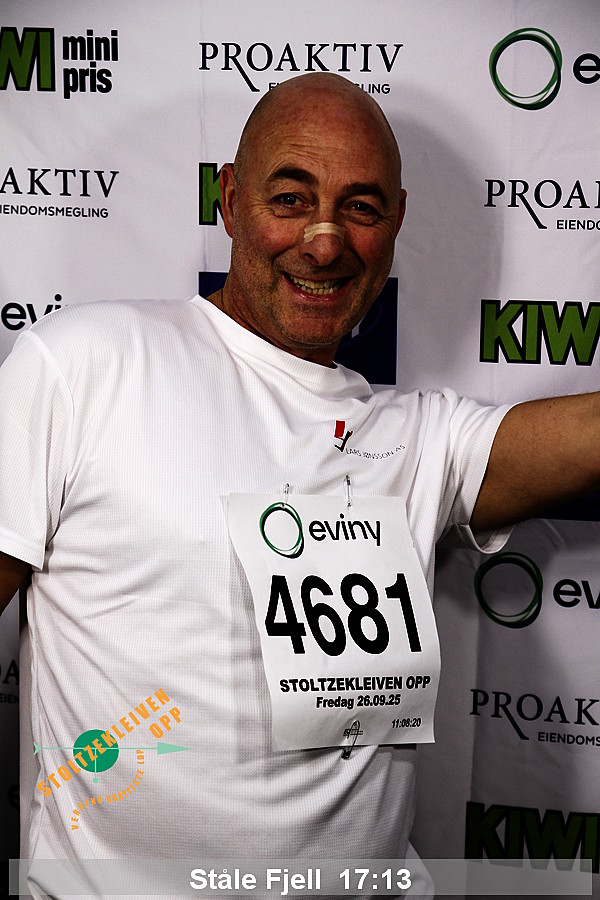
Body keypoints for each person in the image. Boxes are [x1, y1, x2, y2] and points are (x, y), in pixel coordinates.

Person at [0, 73, 598, 898]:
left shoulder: (416, 438)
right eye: (291, 198)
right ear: (230, 200)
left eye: (361, 207)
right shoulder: (84, 364)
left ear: (396, 223)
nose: (324, 243)